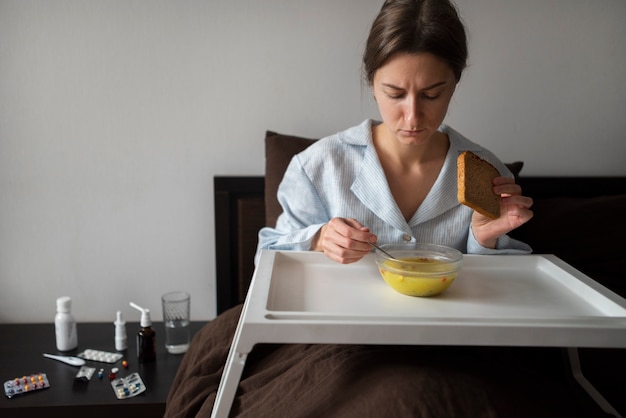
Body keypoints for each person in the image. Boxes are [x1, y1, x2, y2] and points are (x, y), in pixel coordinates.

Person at [257, 0, 533, 265]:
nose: (412, 116)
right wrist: (318, 239)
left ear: (454, 84)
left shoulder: (491, 177)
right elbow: (266, 258)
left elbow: (510, 289)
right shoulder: (316, 167)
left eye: (432, 94)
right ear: (373, 84)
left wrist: (483, 241)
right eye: (395, 93)